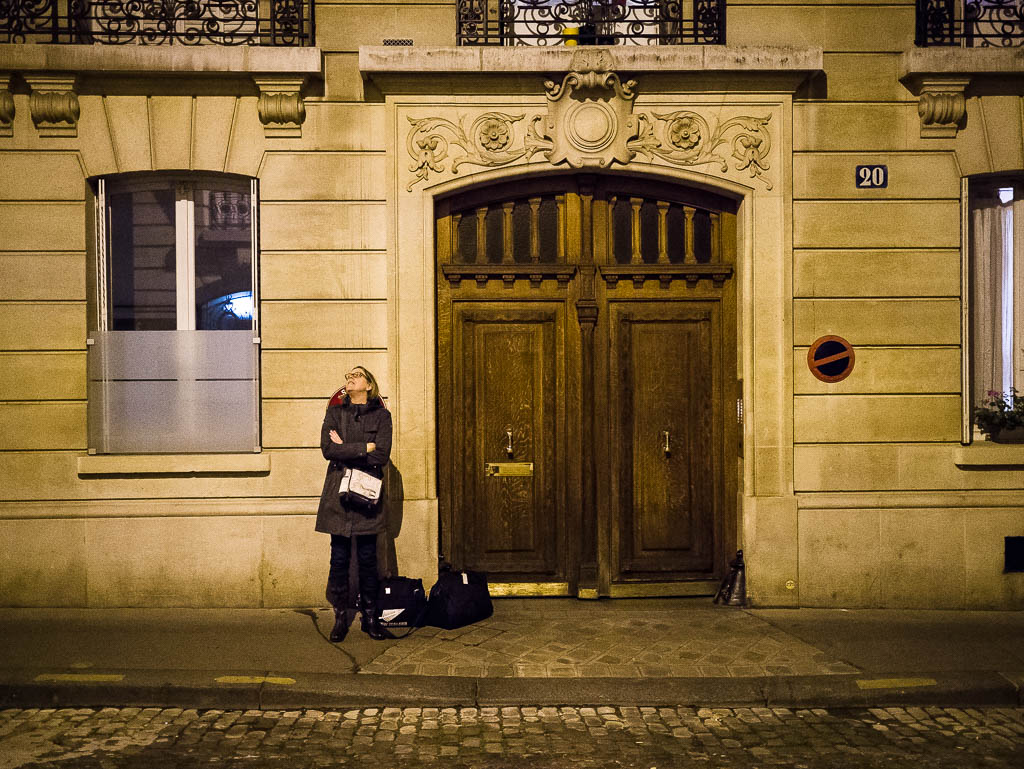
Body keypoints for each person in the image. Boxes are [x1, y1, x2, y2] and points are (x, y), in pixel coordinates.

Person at [316, 366, 392, 642]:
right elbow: (328, 450)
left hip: (367, 498)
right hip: (339, 498)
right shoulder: (335, 413)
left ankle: (370, 618)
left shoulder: (382, 416)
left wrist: (348, 447)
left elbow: (382, 453)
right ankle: (340, 617)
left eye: (357, 375)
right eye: (348, 375)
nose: (350, 378)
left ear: (369, 385)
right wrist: (365, 447)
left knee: (368, 560)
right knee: (339, 559)